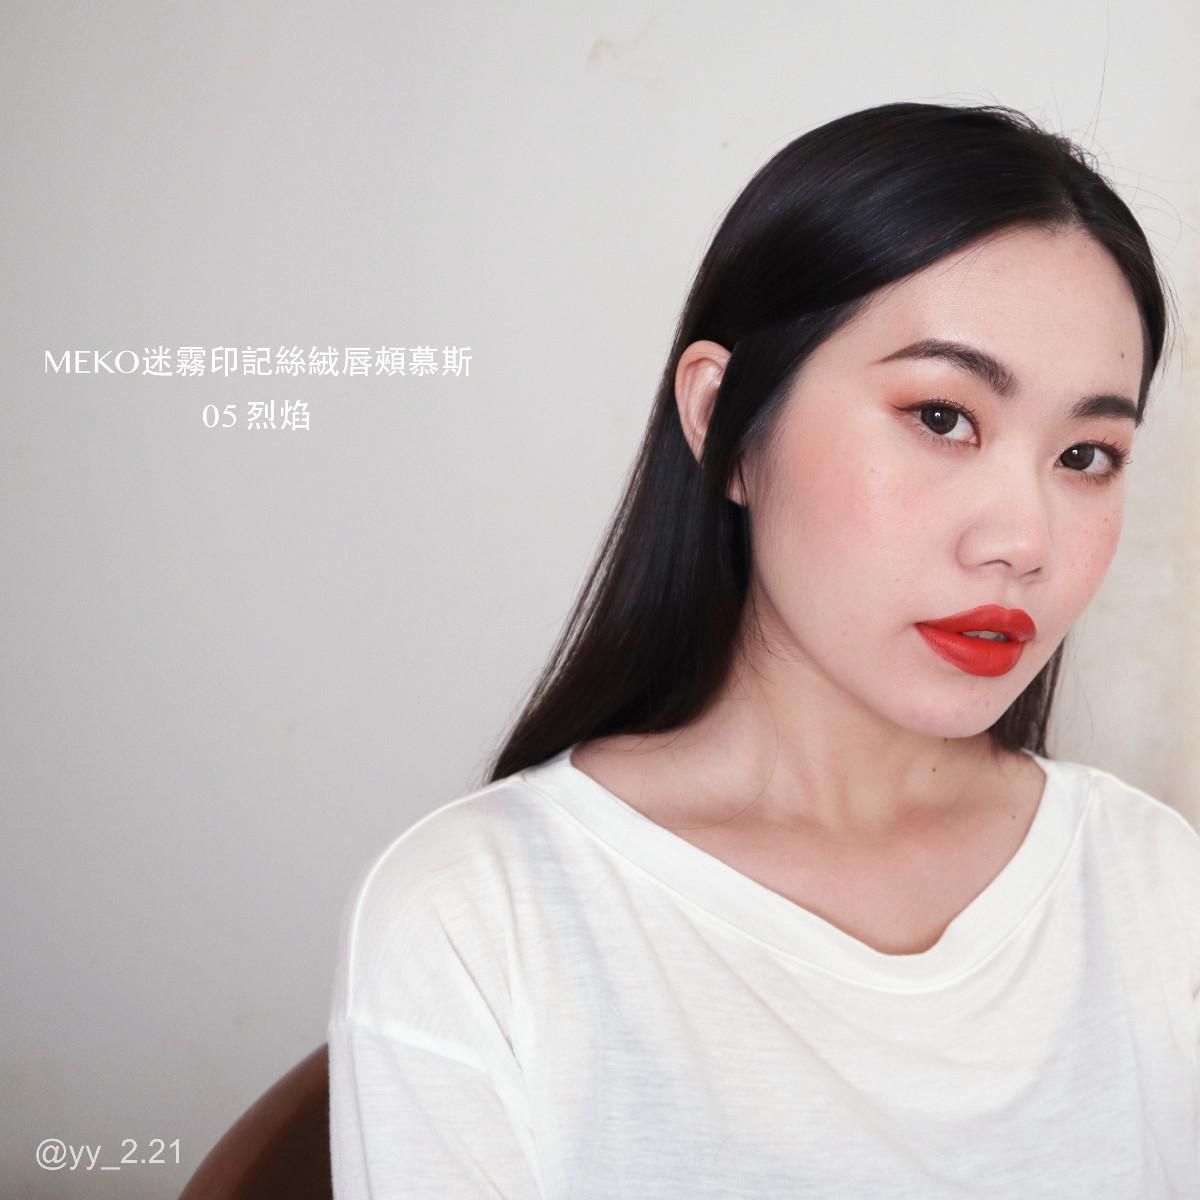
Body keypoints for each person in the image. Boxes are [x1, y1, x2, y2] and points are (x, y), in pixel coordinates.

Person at [327, 101, 1200, 1196]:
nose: (1024, 542)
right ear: (725, 418)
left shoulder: (1153, 884)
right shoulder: (481, 919)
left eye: (1085, 455)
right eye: (942, 417)